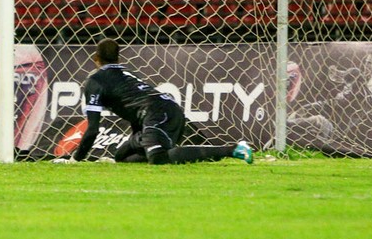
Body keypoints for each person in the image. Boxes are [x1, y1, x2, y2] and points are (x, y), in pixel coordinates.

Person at [55, 38, 253, 165]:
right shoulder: (127, 73)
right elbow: (134, 109)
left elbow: (92, 129)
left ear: (96, 58)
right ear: (117, 56)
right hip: (164, 110)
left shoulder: (95, 81)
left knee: (159, 158)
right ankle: (145, 143)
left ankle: (233, 149)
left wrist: (75, 160)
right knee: (121, 158)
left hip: (157, 113)